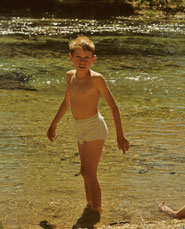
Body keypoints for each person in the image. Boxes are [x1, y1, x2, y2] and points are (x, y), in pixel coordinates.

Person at [47, 36, 129, 227]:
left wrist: (120, 135)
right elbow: (67, 103)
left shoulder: (97, 79)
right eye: (78, 57)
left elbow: (113, 107)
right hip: (79, 128)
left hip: (94, 127)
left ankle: (97, 212)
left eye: (86, 57)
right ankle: (89, 205)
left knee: (90, 172)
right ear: (70, 58)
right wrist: (53, 124)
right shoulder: (69, 76)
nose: (82, 61)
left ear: (93, 59)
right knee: (83, 172)